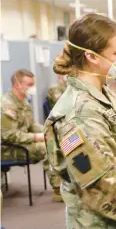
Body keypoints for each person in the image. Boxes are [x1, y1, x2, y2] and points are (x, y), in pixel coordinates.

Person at [44, 14, 116, 228]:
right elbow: (102, 186)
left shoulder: (102, 93)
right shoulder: (81, 114)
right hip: (102, 221)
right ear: (92, 57)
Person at [1, 69, 62, 202]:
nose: (32, 88)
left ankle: (64, 185)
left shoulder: (23, 102)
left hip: (20, 143)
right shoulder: (7, 106)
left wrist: (47, 131)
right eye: (29, 85)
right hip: (7, 148)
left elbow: (31, 125)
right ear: (17, 85)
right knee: (46, 148)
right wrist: (35, 137)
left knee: (54, 142)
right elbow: (9, 136)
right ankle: (58, 190)